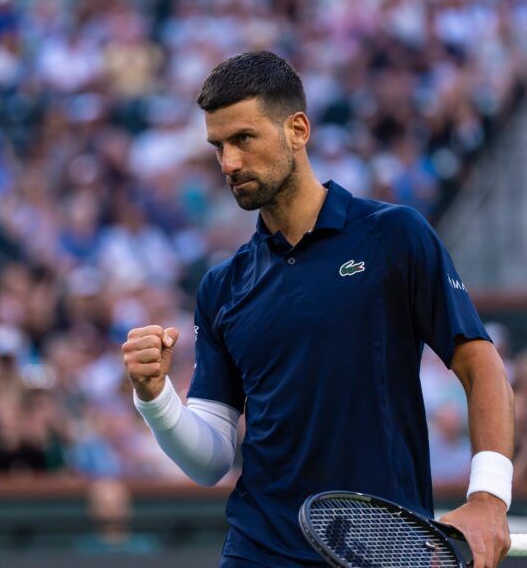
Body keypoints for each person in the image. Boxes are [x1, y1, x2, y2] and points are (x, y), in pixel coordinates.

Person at [122, 51, 514, 568]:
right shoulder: (222, 285)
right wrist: (154, 398)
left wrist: (489, 498)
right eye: (218, 146)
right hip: (257, 552)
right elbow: (211, 459)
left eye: (244, 139)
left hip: (386, 552)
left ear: (298, 130)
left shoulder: (395, 235)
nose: (229, 163)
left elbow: (480, 365)